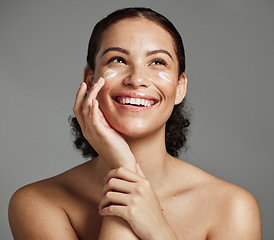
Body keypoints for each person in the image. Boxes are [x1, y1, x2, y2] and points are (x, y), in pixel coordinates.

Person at [8, 7, 262, 239]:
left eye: (157, 62)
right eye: (118, 59)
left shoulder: (232, 207)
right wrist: (125, 167)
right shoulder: (37, 202)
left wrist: (157, 229)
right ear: (89, 78)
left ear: (180, 87)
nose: (137, 79)